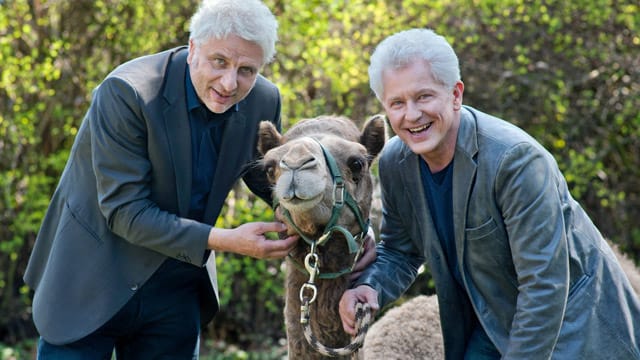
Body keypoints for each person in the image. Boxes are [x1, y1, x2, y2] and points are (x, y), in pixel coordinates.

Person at [23, 0, 375, 358]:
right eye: (219, 61)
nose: (229, 82)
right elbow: (124, 211)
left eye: (246, 70)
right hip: (91, 277)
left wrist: (356, 225)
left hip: (177, 285)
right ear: (192, 48)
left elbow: (278, 187)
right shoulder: (127, 93)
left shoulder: (263, 101)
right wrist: (228, 240)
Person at [339, 28, 640, 359]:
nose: (411, 114)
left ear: (455, 95)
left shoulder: (516, 161)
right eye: (397, 103)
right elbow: (400, 250)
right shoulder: (396, 162)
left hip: (575, 328)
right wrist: (370, 286)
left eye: (424, 96)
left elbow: (544, 287)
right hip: (492, 323)